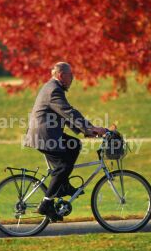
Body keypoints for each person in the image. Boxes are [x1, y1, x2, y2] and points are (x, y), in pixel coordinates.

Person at [24, 62, 106, 222]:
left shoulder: (52, 87)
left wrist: (87, 132)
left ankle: (63, 186)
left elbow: (64, 114)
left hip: (48, 134)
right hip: (44, 136)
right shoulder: (54, 90)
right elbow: (69, 113)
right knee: (63, 166)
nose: (73, 78)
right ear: (62, 75)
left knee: (74, 145)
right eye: (71, 75)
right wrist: (91, 127)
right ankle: (46, 204)